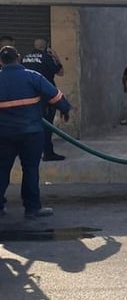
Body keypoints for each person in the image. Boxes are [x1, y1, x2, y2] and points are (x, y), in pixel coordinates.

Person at [0, 45, 71, 219]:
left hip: (4, 134)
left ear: (0, 61)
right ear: (18, 57)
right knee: (30, 169)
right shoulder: (32, 77)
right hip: (31, 133)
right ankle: (32, 208)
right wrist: (65, 110)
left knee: (2, 170)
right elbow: (56, 97)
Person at [22, 38, 66, 161]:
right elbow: (61, 72)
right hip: (46, 98)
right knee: (46, 126)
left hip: (28, 98)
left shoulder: (24, 57)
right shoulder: (47, 57)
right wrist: (56, 57)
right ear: (46, 46)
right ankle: (48, 153)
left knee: (29, 126)